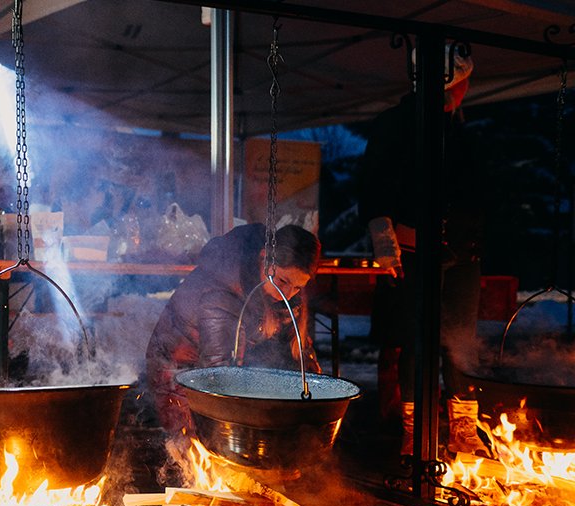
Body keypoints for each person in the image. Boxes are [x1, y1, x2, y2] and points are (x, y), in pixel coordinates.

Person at [356, 48, 487, 457]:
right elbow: (374, 186)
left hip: (462, 253)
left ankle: (464, 431)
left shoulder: (459, 131)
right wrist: (384, 241)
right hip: (412, 250)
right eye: (463, 82)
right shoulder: (396, 125)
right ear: (455, 82)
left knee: (461, 342)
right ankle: (417, 434)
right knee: (417, 341)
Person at [145, 223, 322, 437]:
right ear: (264, 258)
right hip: (178, 374)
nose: (287, 293)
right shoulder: (222, 293)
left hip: (221, 366)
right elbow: (219, 377)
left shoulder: (277, 292)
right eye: (283, 281)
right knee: (203, 444)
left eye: (297, 287)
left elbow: (294, 351)